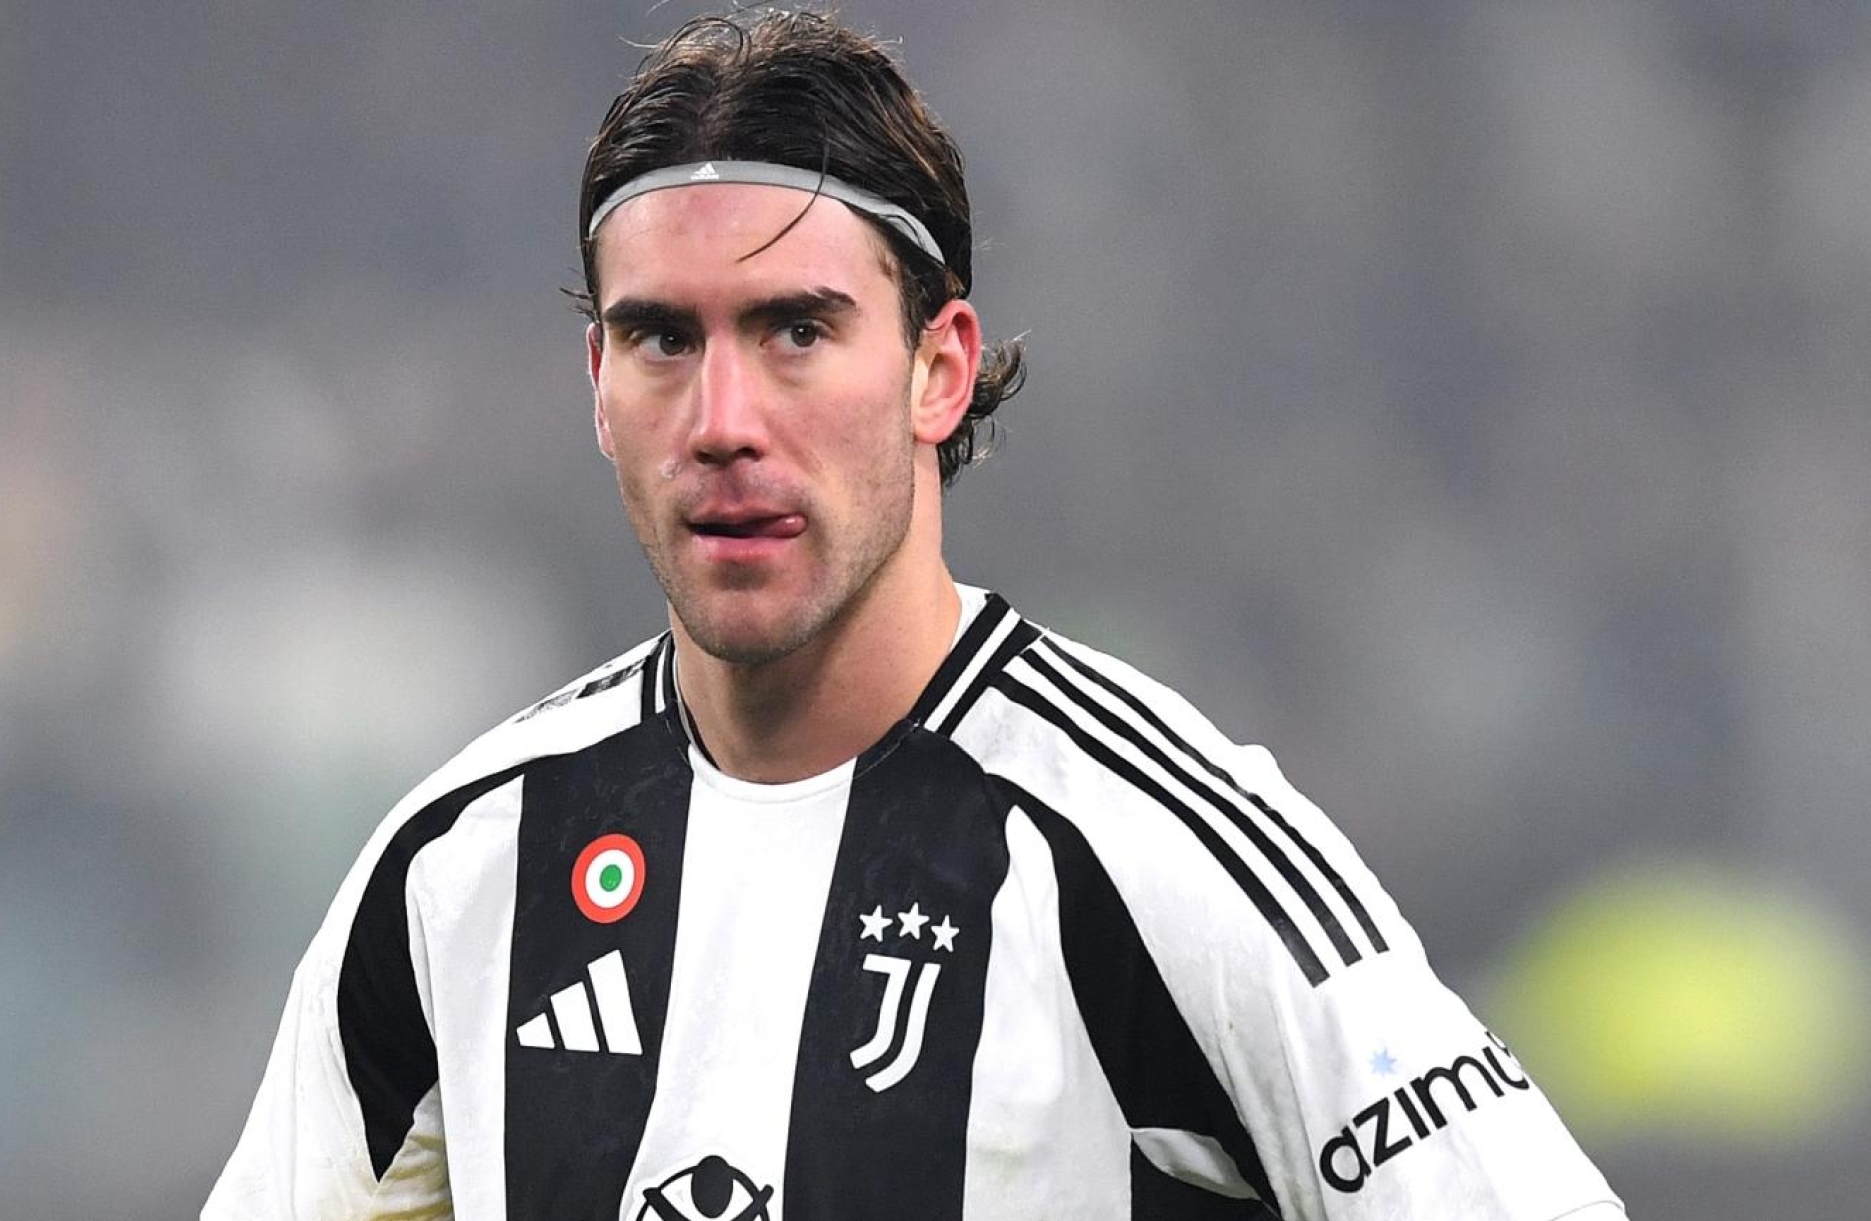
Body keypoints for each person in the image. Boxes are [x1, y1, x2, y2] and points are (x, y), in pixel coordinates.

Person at [205, 11, 1625, 1220]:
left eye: (796, 330)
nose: (722, 420)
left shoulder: (1153, 855)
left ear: (940, 369)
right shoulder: (464, 869)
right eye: (662, 338)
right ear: (595, 381)